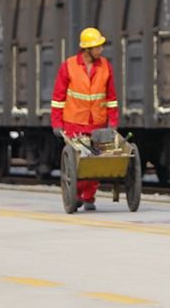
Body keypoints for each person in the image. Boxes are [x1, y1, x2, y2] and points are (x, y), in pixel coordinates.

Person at [51, 27, 119, 211]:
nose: (101, 49)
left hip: (97, 123)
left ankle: (89, 197)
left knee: (94, 161)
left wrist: (113, 122)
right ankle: (76, 195)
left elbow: (111, 98)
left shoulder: (106, 66)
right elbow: (58, 99)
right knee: (78, 160)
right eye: (98, 46)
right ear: (87, 49)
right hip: (74, 122)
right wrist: (57, 123)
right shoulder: (69, 66)